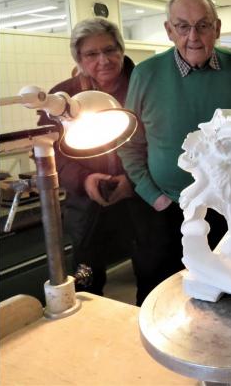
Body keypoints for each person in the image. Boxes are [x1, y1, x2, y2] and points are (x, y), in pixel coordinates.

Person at [118, 0, 231, 305]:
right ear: (168, 30)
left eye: (203, 26)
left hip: (230, 209)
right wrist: (154, 197)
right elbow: (129, 144)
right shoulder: (145, 75)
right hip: (166, 209)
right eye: (182, 27)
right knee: (159, 294)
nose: (193, 37)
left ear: (218, 28)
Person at [37, 17, 148, 297]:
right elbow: (48, 150)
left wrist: (133, 180)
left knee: (150, 269)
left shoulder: (144, 85)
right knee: (85, 274)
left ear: (121, 49)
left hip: (139, 198)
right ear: (79, 58)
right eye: (92, 54)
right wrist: (84, 180)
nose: (104, 60)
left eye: (110, 50)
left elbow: (162, 140)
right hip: (86, 205)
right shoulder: (62, 99)